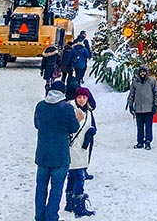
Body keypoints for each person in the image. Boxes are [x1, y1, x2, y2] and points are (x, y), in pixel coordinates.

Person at [34, 80, 80, 221]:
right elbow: (74, 128)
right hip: (60, 154)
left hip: (43, 154)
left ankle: (39, 216)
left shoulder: (40, 106)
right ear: (63, 93)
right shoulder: (66, 108)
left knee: (41, 187)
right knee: (56, 188)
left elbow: (37, 125)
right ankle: (51, 216)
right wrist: (77, 119)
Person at [65, 87, 97, 217]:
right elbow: (68, 127)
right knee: (79, 176)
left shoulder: (89, 112)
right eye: (79, 97)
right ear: (75, 98)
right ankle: (79, 206)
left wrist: (92, 131)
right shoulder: (70, 110)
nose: (82, 100)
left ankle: (70, 203)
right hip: (72, 148)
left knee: (73, 176)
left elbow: (93, 125)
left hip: (83, 149)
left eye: (84, 97)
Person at [126, 64, 157, 150]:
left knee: (148, 126)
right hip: (138, 109)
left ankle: (148, 141)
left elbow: (156, 93)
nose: (142, 73)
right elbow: (132, 94)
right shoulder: (135, 82)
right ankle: (140, 142)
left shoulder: (152, 81)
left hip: (149, 108)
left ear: (147, 72)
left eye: (144, 71)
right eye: (141, 72)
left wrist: (155, 105)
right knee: (139, 126)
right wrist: (130, 104)